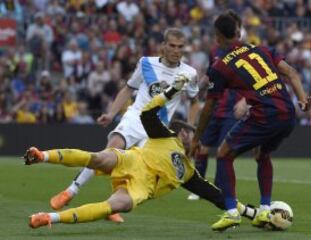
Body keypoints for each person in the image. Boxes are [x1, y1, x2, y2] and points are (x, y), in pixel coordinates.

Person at [25, 78, 260, 229]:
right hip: (132, 160)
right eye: (190, 134)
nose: (194, 140)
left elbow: (218, 198)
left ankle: (48, 218)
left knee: (114, 205)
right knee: (99, 157)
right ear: (180, 134)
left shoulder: (189, 174)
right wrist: (170, 91)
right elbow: (147, 114)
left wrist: (252, 212)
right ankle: (41, 155)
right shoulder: (164, 136)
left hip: (141, 188)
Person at [49, 27, 199, 223]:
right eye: (171, 45)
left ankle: (111, 207)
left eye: (180, 47)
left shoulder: (189, 73)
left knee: (132, 170)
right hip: (136, 117)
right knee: (111, 150)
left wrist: (189, 128)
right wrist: (111, 113)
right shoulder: (146, 63)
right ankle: (71, 190)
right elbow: (129, 89)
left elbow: (195, 101)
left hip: (157, 130)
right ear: (163, 46)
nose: (175, 50)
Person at [190, 13, 311, 231]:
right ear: (238, 32)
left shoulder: (220, 66)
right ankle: (265, 209)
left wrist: (196, 137)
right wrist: (302, 98)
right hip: (288, 114)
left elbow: (209, 106)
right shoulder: (262, 50)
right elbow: (291, 73)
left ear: (217, 37)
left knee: (224, 153)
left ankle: (231, 212)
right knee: (262, 154)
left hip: (265, 115)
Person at [188, 10, 250, 201]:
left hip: (231, 109)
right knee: (204, 148)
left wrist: (245, 100)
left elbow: (251, 80)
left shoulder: (245, 51)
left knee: (224, 151)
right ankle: (199, 188)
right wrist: (197, 87)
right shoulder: (215, 51)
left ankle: (222, 189)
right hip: (215, 106)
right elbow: (209, 73)